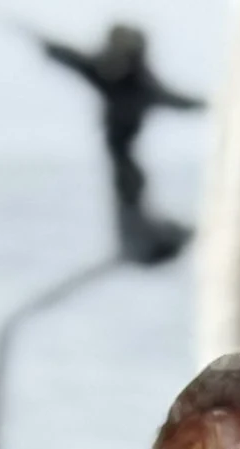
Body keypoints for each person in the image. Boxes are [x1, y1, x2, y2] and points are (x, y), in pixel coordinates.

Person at [40, 21, 202, 266]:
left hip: (126, 155)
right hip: (120, 153)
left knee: (130, 188)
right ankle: (140, 241)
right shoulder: (109, 74)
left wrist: (206, 104)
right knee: (127, 190)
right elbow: (77, 62)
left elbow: (172, 99)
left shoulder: (137, 82)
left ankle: (145, 240)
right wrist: (54, 49)